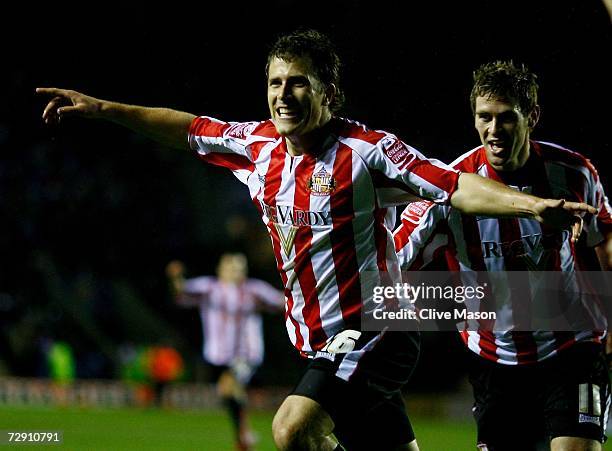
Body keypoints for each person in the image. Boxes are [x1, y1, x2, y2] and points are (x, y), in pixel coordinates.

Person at [37, 30, 596, 451]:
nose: (284, 94)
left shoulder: (367, 151)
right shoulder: (257, 148)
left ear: (327, 91)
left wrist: (531, 205)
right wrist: (104, 109)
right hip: (315, 341)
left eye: (298, 81)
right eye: (276, 82)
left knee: (291, 428)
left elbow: (455, 187)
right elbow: (183, 128)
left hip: (376, 330)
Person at [393, 60, 612, 451]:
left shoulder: (573, 173)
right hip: (494, 362)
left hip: (573, 348)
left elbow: (605, 241)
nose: (494, 131)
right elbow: (390, 261)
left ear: (532, 116)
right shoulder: (448, 189)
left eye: (506, 118)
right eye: (484, 118)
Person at [166, 254, 283, 451]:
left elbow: (282, 301)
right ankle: (242, 435)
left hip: (247, 353)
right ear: (220, 269)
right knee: (227, 392)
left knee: (229, 386)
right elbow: (181, 291)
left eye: (241, 268)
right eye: (232, 267)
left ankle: (244, 436)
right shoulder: (210, 287)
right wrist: (175, 278)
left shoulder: (254, 289)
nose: (237, 272)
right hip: (219, 354)